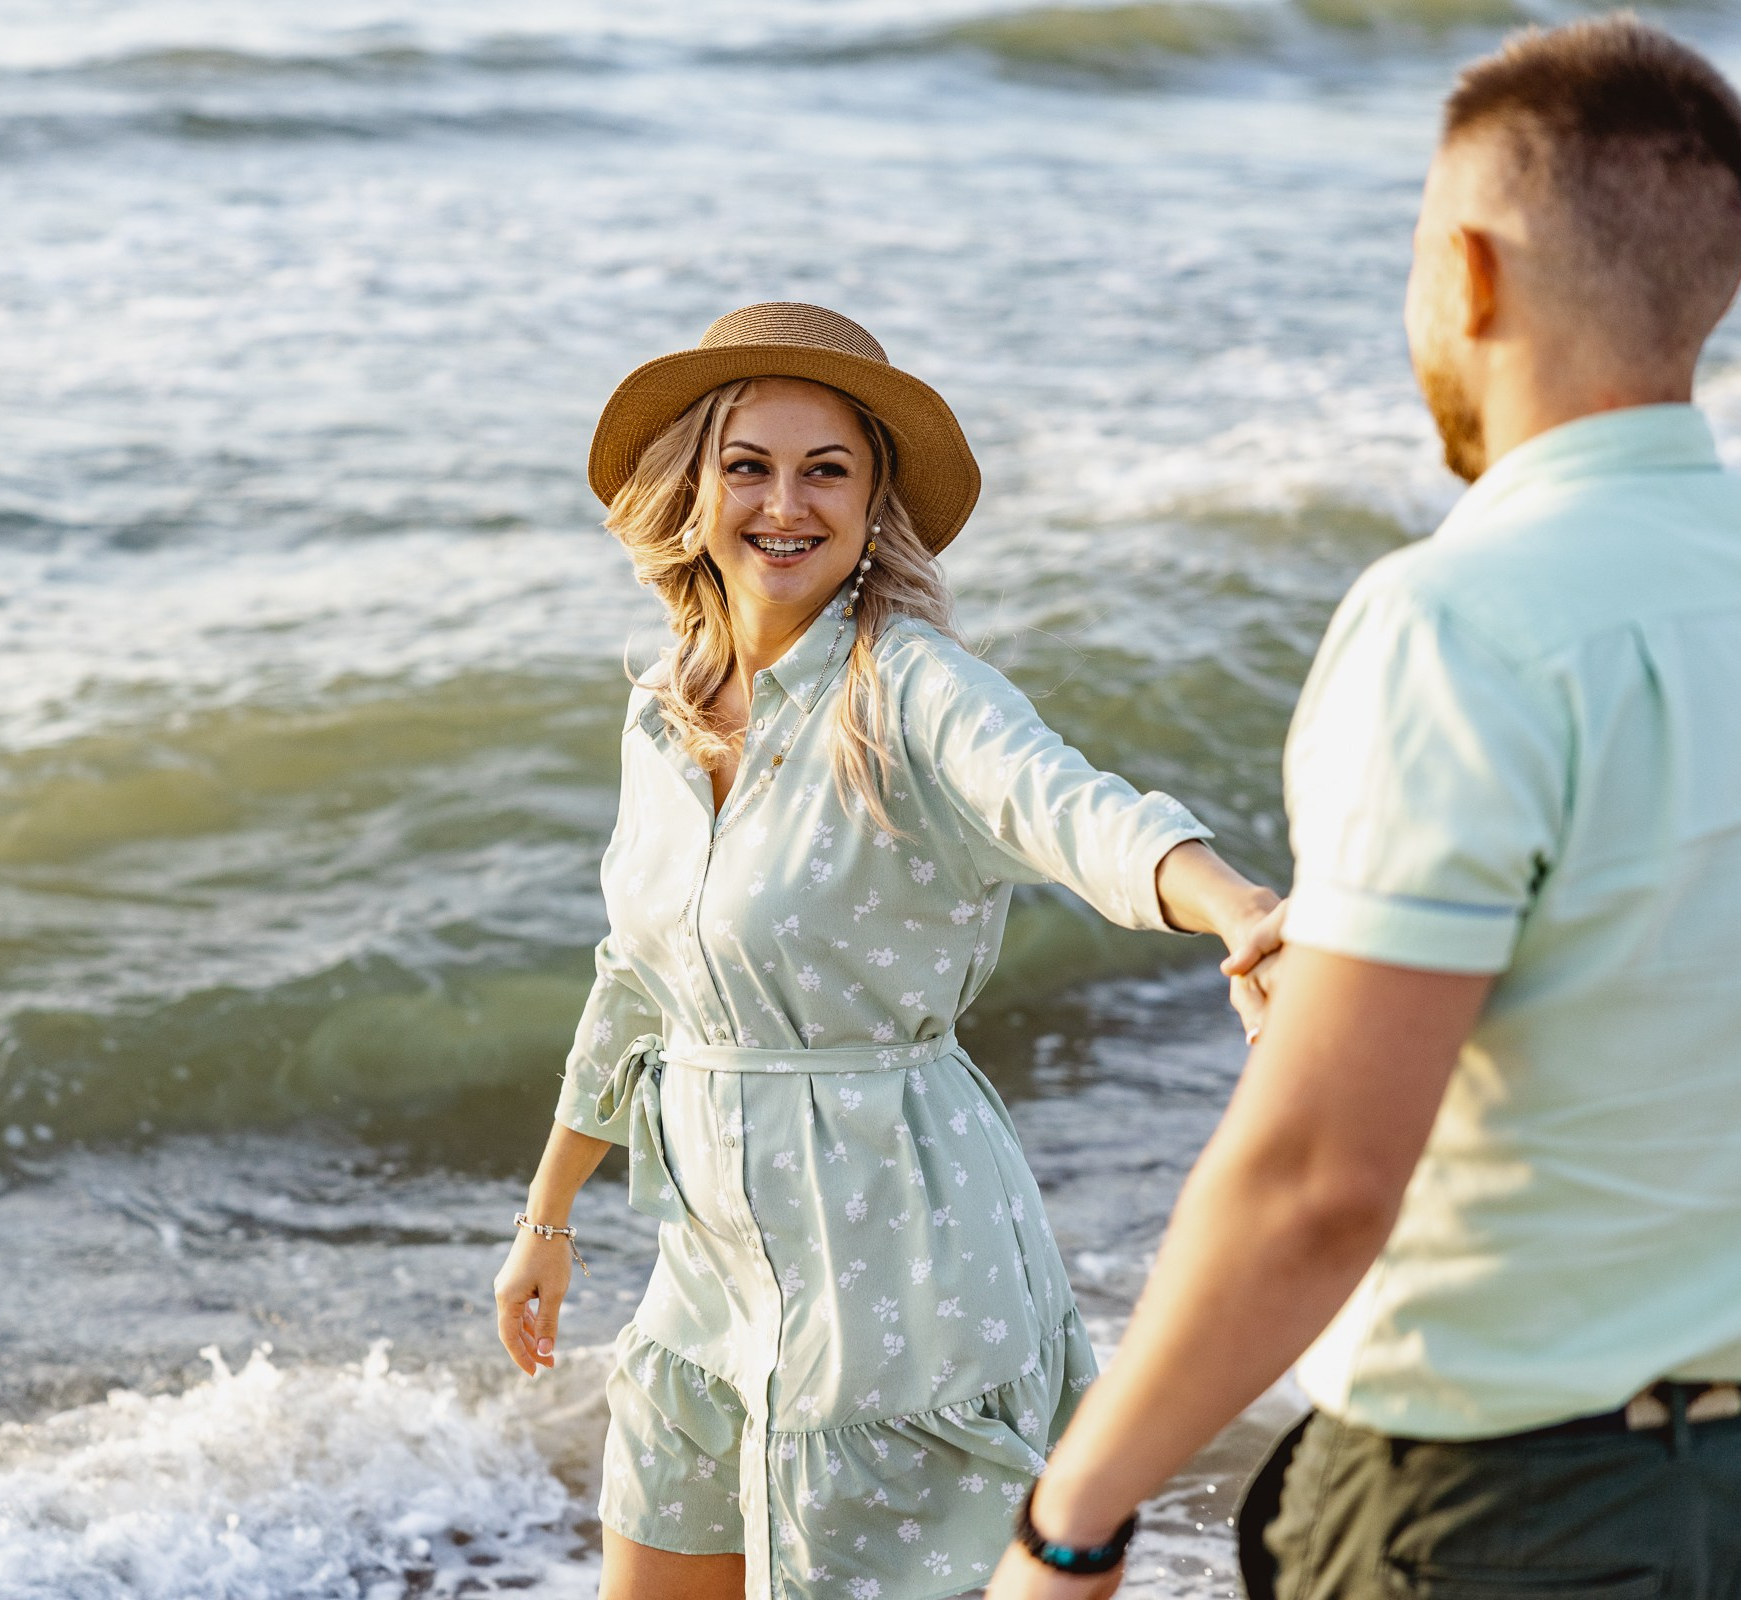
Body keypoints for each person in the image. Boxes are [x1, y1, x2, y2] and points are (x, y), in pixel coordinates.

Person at [989, 18, 1741, 1600]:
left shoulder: (1453, 621)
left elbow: (1319, 1185)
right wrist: (1379, 986)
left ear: (1468, 276)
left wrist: (1070, 1526)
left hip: (1521, 1512)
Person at [491, 301, 1282, 1600]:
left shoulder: (913, 688)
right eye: (748, 466)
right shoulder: (665, 712)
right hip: (708, 1274)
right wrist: (549, 1215)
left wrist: (1235, 906)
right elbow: (635, 982)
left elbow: (1070, 806)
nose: (783, 504)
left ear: (874, 504)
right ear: (694, 488)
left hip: (894, 1269)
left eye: (826, 470)